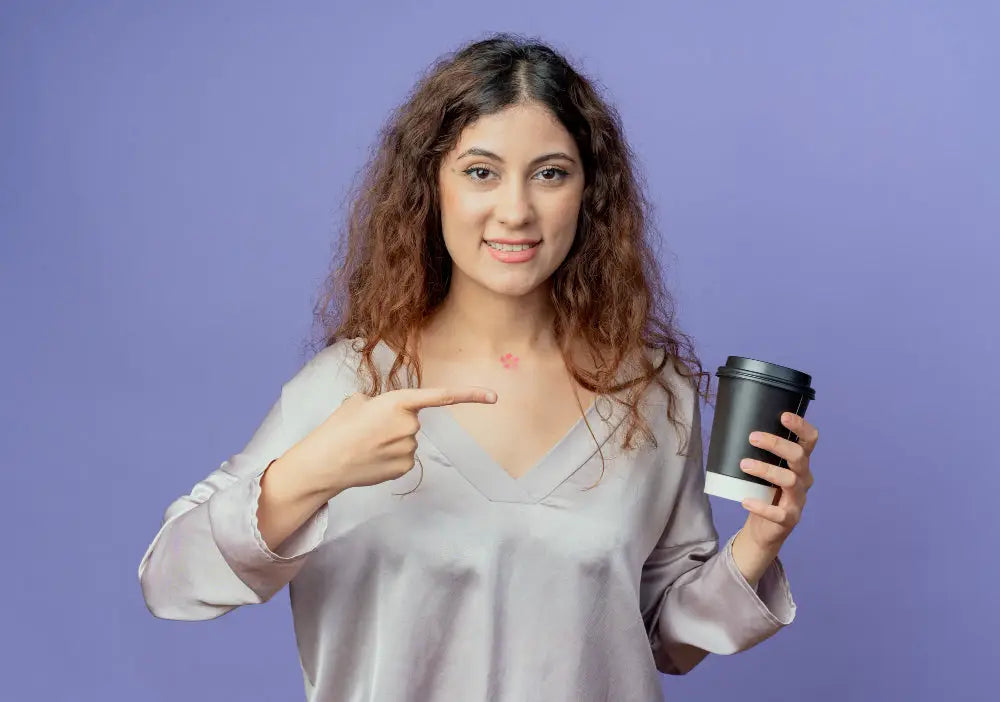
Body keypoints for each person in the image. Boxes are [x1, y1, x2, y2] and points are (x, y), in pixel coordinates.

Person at [138, 32, 818, 702]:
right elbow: (169, 581)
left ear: (590, 193)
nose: (516, 211)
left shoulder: (649, 393)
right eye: (480, 172)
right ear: (431, 187)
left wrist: (758, 543)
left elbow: (669, 639)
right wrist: (309, 474)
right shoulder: (349, 387)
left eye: (550, 173)